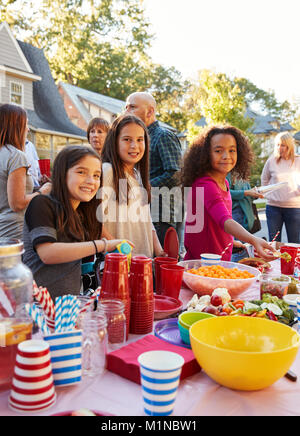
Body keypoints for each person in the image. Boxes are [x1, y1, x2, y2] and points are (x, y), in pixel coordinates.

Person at [23, 145, 133, 299]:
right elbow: (47, 253)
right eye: (81, 172)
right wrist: (103, 245)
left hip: (68, 309)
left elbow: (110, 242)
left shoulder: (83, 212)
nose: (91, 181)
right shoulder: (41, 203)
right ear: (62, 174)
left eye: (96, 175)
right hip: (36, 308)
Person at [182, 125, 275, 262]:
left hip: (218, 263)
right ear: (205, 154)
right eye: (218, 151)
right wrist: (253, 239)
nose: (226, 156)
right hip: (201, 266)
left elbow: (215, 225)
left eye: (232, 150)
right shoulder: (206, 185)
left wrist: (231, 241)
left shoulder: (224, 183)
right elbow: (225, 220)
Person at [100, 114, 164, 258]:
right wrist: (121, 251)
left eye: (140, 140)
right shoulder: (107, 170)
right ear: (114, 142)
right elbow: (92, 220)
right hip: (120, 265)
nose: (134, 146)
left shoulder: (138, 174)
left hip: (143, 263)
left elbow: (146, 220)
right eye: (127, 139)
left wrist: (159, 251)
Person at [125, 92, 183, 247]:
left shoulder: (163, 135)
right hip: (143, 210)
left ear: (150, 112)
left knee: (162, 263)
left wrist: (142, 187)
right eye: (125, 107)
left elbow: (176, 173)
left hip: (161, 213)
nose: (126, 112)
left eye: (132, 107)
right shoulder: (139, 139)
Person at [0, 104, 51, 240]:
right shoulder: (15, 155)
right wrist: (43, 191)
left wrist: (35, 188)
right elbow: (17, 204)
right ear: (15, 126)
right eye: (25, 124)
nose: (28, 129)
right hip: (13, 232)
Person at [261, 132, 300, 243]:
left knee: (294, 242)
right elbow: (264, 180)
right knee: (273, 242)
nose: (279, 148)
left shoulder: (298, 161)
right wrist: (269, 195)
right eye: (277, 145)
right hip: (273, 208)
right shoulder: (271, 161)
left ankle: (293, 261)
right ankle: (274, 260)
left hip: (294, 208)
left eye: (283, 145)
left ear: (289, 146)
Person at [226, 173, 264, 262]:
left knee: (244, 248)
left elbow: (247, 193)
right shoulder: (227, 172)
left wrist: (255, 194)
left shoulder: (242, 172)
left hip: (246, 213)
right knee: (239, 250)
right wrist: (246, 193)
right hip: (235, 212)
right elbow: (225, 192)